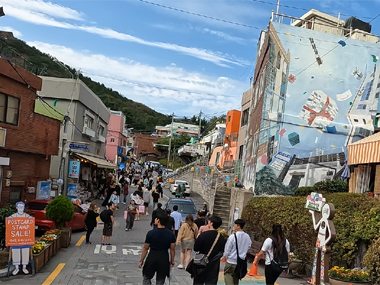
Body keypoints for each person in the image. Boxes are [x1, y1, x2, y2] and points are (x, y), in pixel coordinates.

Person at [138, 215, 176, 285]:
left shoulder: (151, 233)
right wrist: (172, 260)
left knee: (147, 277)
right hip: (164, 257)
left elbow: (145, 248)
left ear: (158, 221)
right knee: (160, 279)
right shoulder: (171, 235)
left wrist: (141, 260)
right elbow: (172, 249)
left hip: (152, 256)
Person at [191, 216, 226, 285]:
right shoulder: (221, 238)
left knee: (198, 281)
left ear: (211, 223)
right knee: (211, 282)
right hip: (214, 264)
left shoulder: (203, 235)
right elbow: (223, 250)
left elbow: (196, 248)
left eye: (209, 222)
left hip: (201, 262)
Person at [222, 219, 252, 285]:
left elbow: (227, 249)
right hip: (241, 261)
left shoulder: (233, 237)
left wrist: (224, 257)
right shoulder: (247, 236)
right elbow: (249, 246)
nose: (233, 225)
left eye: (235, 224)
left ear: (238, 226)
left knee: (228, 274)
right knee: (236, 277)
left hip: (231, 260)